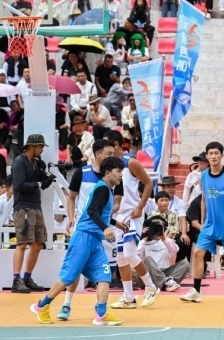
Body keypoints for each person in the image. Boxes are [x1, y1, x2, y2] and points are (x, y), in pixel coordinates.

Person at [29, 157, 126, 326]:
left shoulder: (107, 190)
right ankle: (41, 306)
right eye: (118, 171)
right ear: (107, 172)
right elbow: (92, 211)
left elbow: (98, 213)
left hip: (95, 240)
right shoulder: (102, 189)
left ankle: (101, 314)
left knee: (104, 276)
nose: (121, 175)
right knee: (68, 277)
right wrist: (106, 228)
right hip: (84, 237)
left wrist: (114, 223)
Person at [58, 140, 125, 321]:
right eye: (109, 153)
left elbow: (116, 203)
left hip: (103, 229)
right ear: (98, 154)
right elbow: (72, 197)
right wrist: (71, 217)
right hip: (84, 227)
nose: (112, 156)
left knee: (104, 269)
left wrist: (111, 216)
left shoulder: (115, 175)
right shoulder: (82, 172)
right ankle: (66, 304)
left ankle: (100, 308)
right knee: (75, 268)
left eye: (113, 154)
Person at [180, 141, 224, 303]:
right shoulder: (203, 176)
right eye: (210, 153)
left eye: (216, 153)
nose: (213, 156)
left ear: (222, 155)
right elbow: (204, 199)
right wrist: (203, 222)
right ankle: (196, 291)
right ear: (207, 156)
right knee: (198, 253)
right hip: (210, 225)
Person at [102, 130, 159, 309]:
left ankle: (151, 287)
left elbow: (148, 183)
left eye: (107, 145)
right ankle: (128, 297)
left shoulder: (131, 162)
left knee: (129, 254)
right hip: (118, 216)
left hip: (133, 214)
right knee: (121, 258)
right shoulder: (109, 167)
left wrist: (140, 207)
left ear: (116, 145)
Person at [11, 134, 55, 294]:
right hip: (23, 207)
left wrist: (44, 176)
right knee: (22, 244)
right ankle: (16, 280)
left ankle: (27, 277)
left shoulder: (35, 162)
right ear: (33, 146)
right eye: (41, 146)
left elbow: (40, 184)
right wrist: (39, 183)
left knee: (37, 244)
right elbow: (19, 185)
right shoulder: (19, 162)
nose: (42, 149)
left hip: (36, 206)